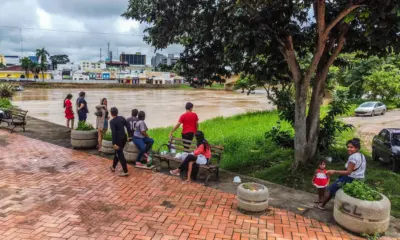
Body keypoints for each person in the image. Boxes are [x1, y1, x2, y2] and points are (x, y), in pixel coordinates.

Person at [315, 138, 366, 210]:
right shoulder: (361, 155)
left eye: (351, 147)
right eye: (348, 147)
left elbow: (348, 172)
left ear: (357, 148)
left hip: (350, 178)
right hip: (360, 178)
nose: (349, 149)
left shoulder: (353, 158)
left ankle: (321, 205)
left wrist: (334, 171)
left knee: (331, 188)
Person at [109, 107, 132, 177]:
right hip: (124, 138)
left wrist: (113, 143)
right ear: (117, 112)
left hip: (118, 140)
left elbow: (113, 133)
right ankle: (113, 167)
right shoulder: (122, 118)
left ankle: (125, 171)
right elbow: (128, 125)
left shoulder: (112, 121)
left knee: (120, 154)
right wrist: (130, 136)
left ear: (111, 113)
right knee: (117, 152)